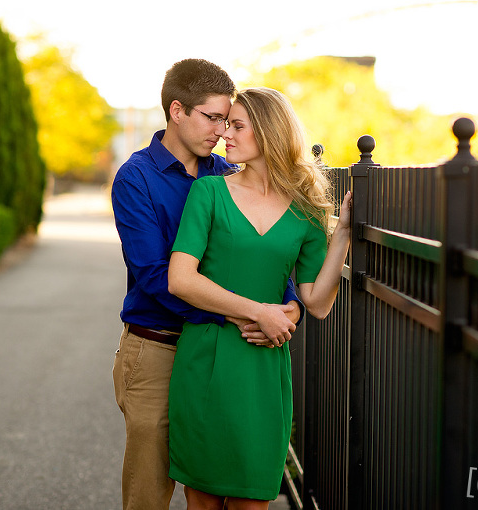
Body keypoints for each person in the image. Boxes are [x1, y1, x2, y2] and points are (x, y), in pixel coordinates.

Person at [111, 61, 303, 510]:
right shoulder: (135, 178)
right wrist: (244, 314)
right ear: (177, 111)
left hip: (224, 353)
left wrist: (288, 305)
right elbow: (157, 277)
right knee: (151, 492)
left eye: (227, 119)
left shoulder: (225, 174)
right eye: (212, 117)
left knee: (217, 482)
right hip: (159, 348)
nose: (222, 130)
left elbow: (261, 257)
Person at [167, 87, 352, 510]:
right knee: (204, 502)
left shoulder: (305, 211)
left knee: (254, 500)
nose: (224, 135)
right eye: (224, 123)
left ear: (267, 132)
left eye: (236, 125)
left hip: (263, 372)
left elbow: (317, 302)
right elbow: (180, 279)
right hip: (207, 363)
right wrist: (259, 311)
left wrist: (341, 234)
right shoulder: (209, 193)